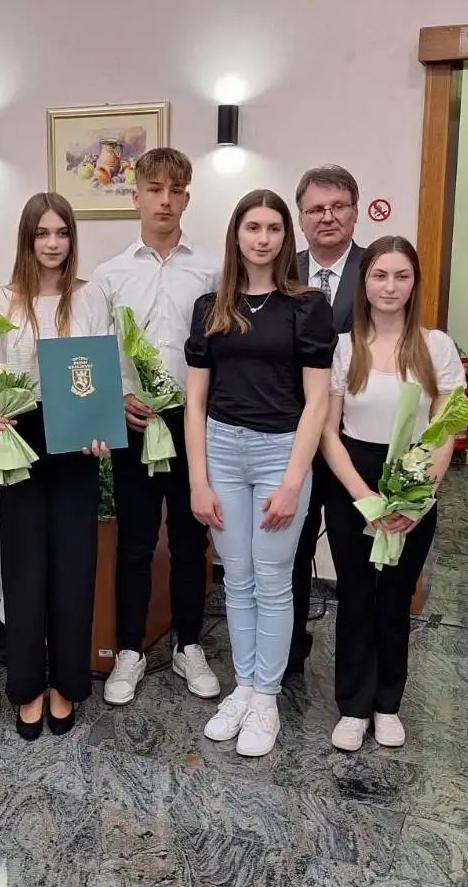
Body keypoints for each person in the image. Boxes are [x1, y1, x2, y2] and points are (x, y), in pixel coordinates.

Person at [184, 190, 333, 757]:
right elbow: (195, 402)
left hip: (279, 453)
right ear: (237, 234)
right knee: (237, 578)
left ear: (284, 237)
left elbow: (317, 402)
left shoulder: (307, 307)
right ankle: (243, 686)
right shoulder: (210, 308)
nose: (263, 238)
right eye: (252, 227)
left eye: (273, 227)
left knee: (273, 580)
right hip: (221, 450)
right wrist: (199, 480)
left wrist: (294, 480)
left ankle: (266, 697)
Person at [90, 147, 223, 706]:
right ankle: (129, 651)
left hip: (193, 422)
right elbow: (97, 354)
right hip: (136, 422)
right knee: (137, 544)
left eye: (176, 191)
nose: (165, 201)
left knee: (192, 543)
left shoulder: (213, 269)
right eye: (155, 190)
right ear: (136, 196)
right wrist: (115, 397)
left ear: (187, 198)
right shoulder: (108, 275)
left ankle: (188, 644)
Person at [322, 235, 465, 753]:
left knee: (395, 599)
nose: (389, 286)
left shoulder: (437, 346)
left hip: (415, 481)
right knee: (356, 596)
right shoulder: (343, 347)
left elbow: (445, 428)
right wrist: (365, 498)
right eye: (379, 275)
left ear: (414, 283)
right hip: (353, 483)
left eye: (400, 276)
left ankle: (387, 704)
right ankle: (353, 707)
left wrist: (415, 497)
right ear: (364, 282)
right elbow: (327, 432)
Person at [0, 193, 113, 740]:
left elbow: (105, 369)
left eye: (61, 233)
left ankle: (69, 685)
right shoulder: (2, 301)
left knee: (75, 570)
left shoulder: (91, 297)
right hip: (22, 440)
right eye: (42, 234)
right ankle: (27, 687)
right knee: (25, 570)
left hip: (77, 443)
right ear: (27, 240)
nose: (53, 244)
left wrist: (102, 427)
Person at [289, 164, 367, 676]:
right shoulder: (280, 269)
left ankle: (354, 672)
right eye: (316, 209)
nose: (328, 217)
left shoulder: (378, 270)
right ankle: (289, 649)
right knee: (291, 551)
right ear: (301, 218)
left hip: (352, 438)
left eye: (338, 206)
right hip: (289, 436)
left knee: (353, 554)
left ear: (355, 212)